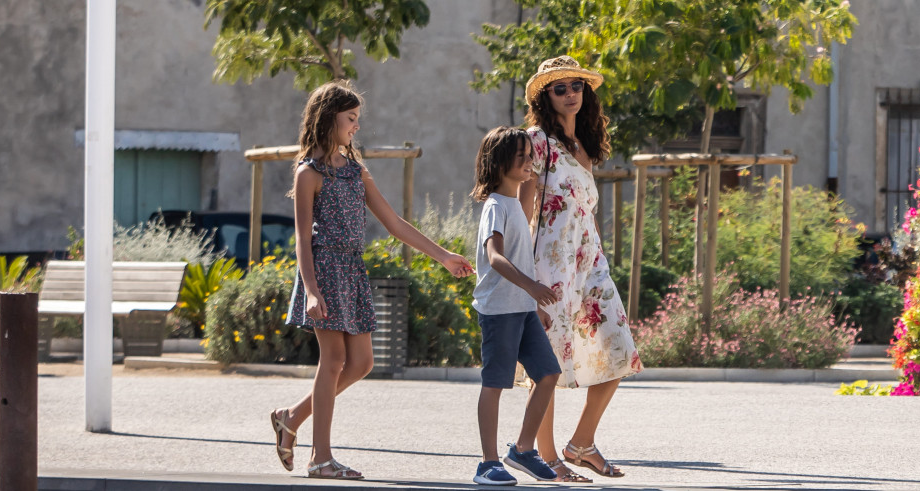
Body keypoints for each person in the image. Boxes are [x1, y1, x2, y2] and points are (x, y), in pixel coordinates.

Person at [268, 80, 473, 480]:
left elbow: (394, 223)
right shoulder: (308, 174)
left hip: (352, 270)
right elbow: (302, 239)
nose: (356, 126)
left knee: (361, 363)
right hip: (324, 271)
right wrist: (310, 289)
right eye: (351, 119)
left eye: (357, 119)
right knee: (333, 362)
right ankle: (320, 458)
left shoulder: (358, 171)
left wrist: (443, 256)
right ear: (330, 119)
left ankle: (290, 417)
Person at [519, 56, 643, 482]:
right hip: (549, 266)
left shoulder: (584, 146)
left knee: (621, 351)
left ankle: (581, 443)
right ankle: (549, 457)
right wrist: (524, 275)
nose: (571, 93)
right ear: (544, 96)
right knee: (547, 362)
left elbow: (584, 214)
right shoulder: (537, 141)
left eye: (577, 86)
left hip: (590, 264)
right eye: (560, 88)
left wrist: (598, 257)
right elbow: (524, 209)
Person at [468, 126, 564, 485]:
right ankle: (487, 463)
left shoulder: (513, 205)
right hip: (499, 311)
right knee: (495, 383)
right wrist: (533, 287)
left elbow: (523, 251)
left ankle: (522, 450)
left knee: (548, 374)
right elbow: (495, 257)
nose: (528, 161)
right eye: (520, 156)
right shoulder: (495, 206)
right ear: (499, 162)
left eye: (529, 155)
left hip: (523, 309)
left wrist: (532, 301)